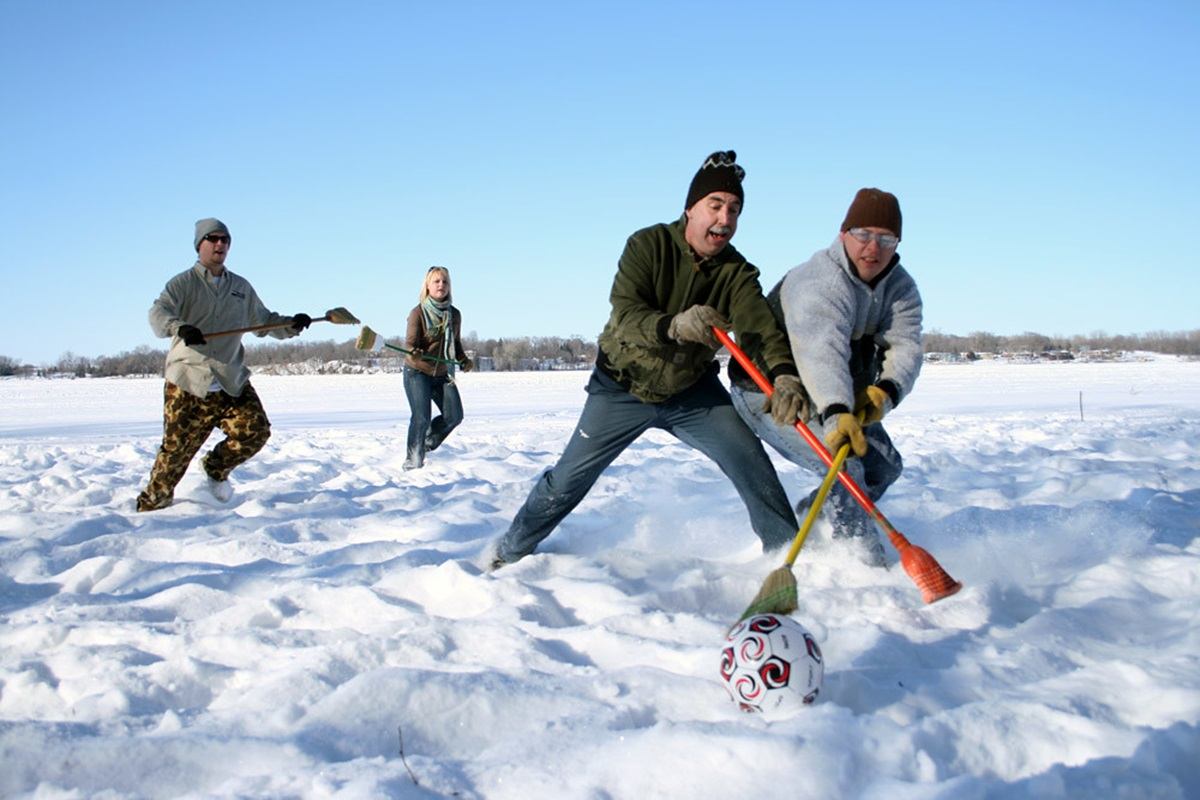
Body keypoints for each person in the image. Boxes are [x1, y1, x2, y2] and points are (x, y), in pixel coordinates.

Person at [487, 151, 808, 569]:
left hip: (692, 392)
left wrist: (783, 376)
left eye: (734, 210)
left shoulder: (737, 273)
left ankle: (789, 560)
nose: (724, 219)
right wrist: (673, 326)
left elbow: (760, 329)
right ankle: (509, 552)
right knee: (568, 479)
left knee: (749, 459)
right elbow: (625, 316)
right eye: (715, 206)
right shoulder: (647, 245)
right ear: (690, 208)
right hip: (621, 386)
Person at [728, 188, 923, 566]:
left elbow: (907, 346)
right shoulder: (819, 280)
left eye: (886, 239)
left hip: (835, 394)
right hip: (769, 390)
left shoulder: (901, 288)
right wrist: (837, 412)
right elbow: (821, 353)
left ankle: (818, 516)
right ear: (842, 233)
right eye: (863, 234)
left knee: (884, 467)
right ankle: (861, 564)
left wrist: (885, 392)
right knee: (847, 466)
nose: (873, 247)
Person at [135, 218, 314, 511]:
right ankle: (151, 509)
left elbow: (263, 322)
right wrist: (179, 327)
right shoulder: (183, 283)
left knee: (255, 431)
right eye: (213, 239)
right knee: (176, 452)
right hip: (190, 381)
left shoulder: (240, 288)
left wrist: (292, 324)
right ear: (200, 244)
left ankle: (214, 469)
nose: (220, 245)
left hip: (230, 380)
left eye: (225, 240)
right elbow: (158, 312)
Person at [402, 266, 472, 470]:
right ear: (428, 286)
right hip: (417, 372)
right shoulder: (418, 313)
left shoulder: (454, 315)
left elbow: (456, 344)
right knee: (421, 417)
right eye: (436, 281)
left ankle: (426, 443)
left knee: (455, 416)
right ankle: (413, 460)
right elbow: (409, 343)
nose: (441, 285)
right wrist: (413, 351)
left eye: (445, 282)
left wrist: (463, 359)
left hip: (442, 374)